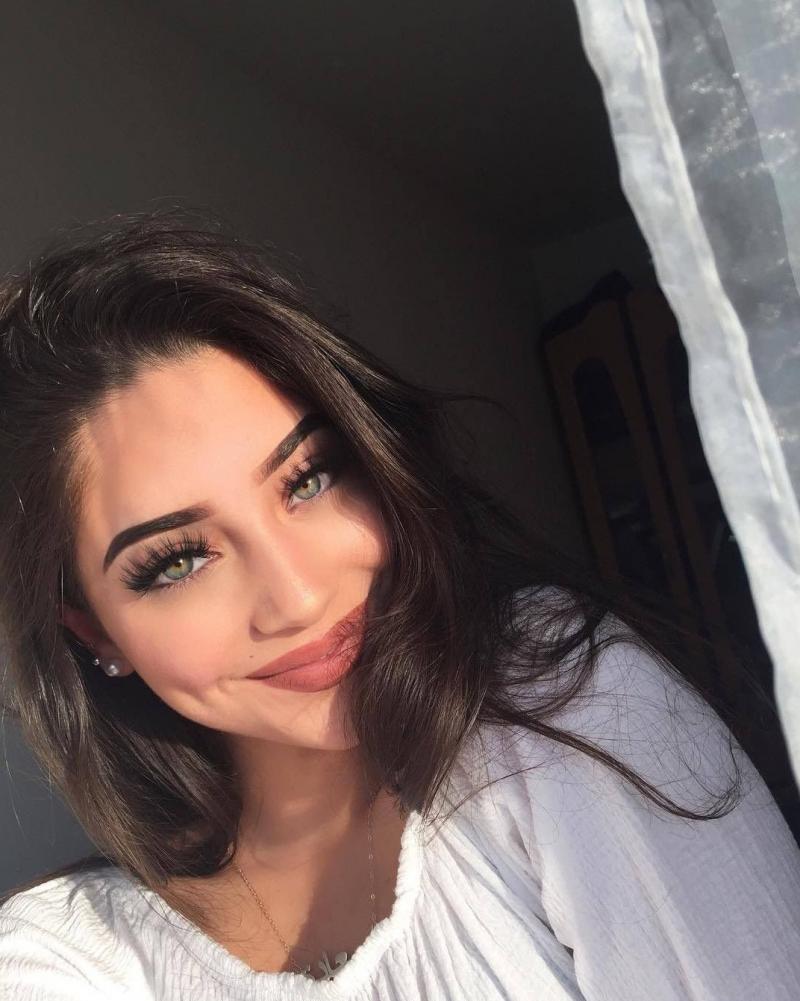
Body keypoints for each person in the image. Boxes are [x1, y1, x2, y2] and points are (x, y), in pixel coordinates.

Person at [0, 210, 798, 1001]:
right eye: (178, 561)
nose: (298, 596)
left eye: (309, 478)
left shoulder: (554, 699)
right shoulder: (69, 957)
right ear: (95, 631)